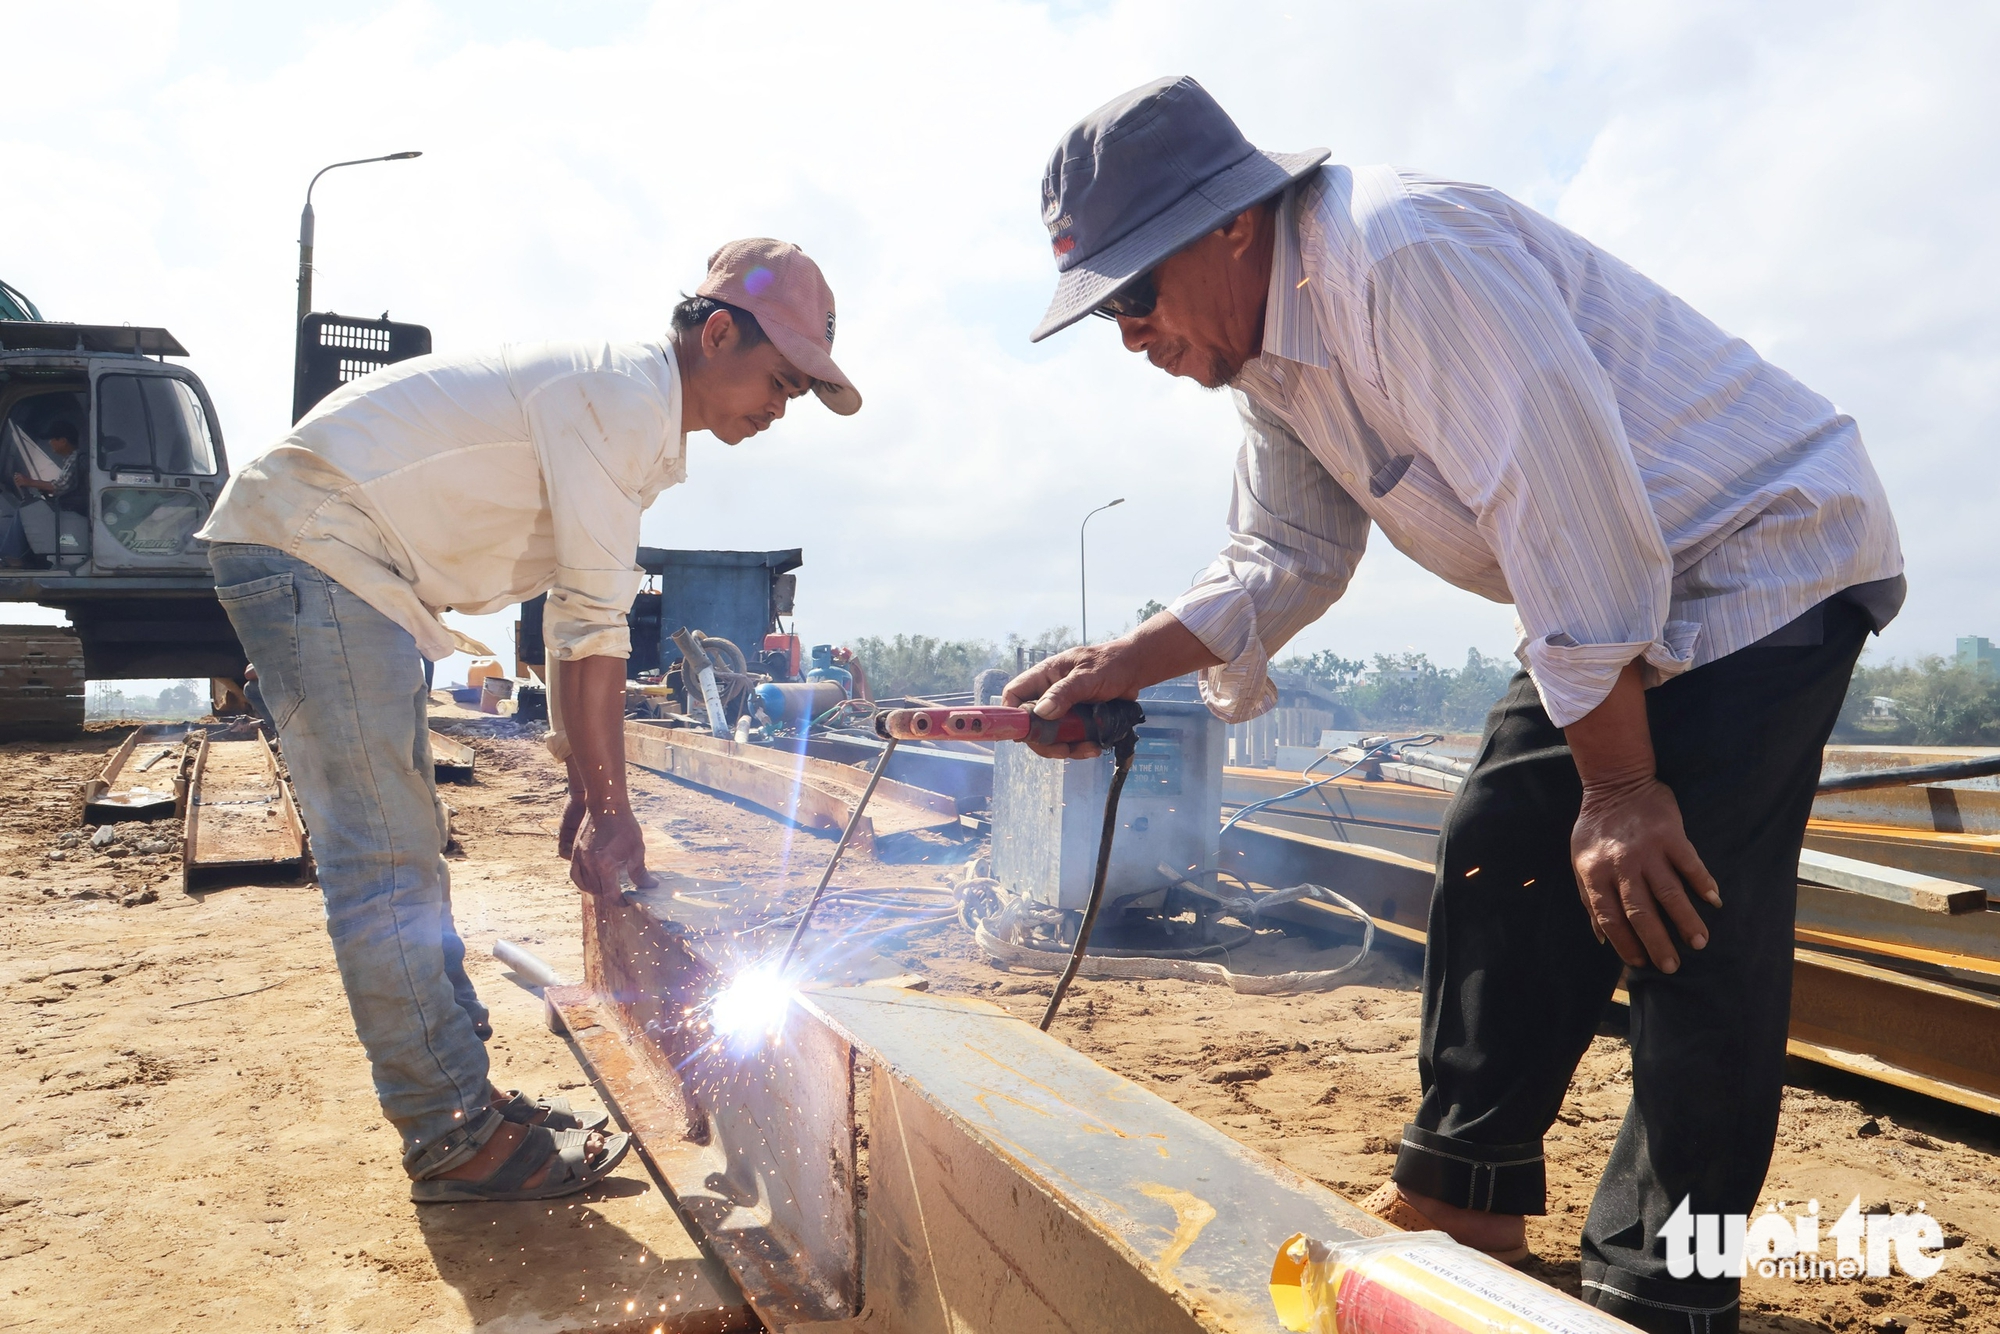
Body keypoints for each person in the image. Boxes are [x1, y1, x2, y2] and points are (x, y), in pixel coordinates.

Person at [1008, 77, 1900, 1333]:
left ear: (1226, 226)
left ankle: (1660, 1282)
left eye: (1132, 295)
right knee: (1496, 834)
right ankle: (1465, 1190)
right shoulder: (1270, 358)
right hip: (1618, 575)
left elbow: (1568, 509)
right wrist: (1116, 665)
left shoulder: (1399, 260)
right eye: (1103, 309)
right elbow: (1282, 553)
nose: (1128, 334)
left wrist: (1623, 788)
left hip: (1762, 547)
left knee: (1677, 903)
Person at [198, 239, 861, 1203]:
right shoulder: (624, 399)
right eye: (780, 380)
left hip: (330, 550)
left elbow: (571, 619)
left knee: (406, 847)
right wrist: (609, 806)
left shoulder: (630, 410)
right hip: (319, 546)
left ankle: (460, 1100)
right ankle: (453, 1138)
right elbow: (592, 632)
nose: (780, 407)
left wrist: (592, 787)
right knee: (382, 860)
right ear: (718, 333)